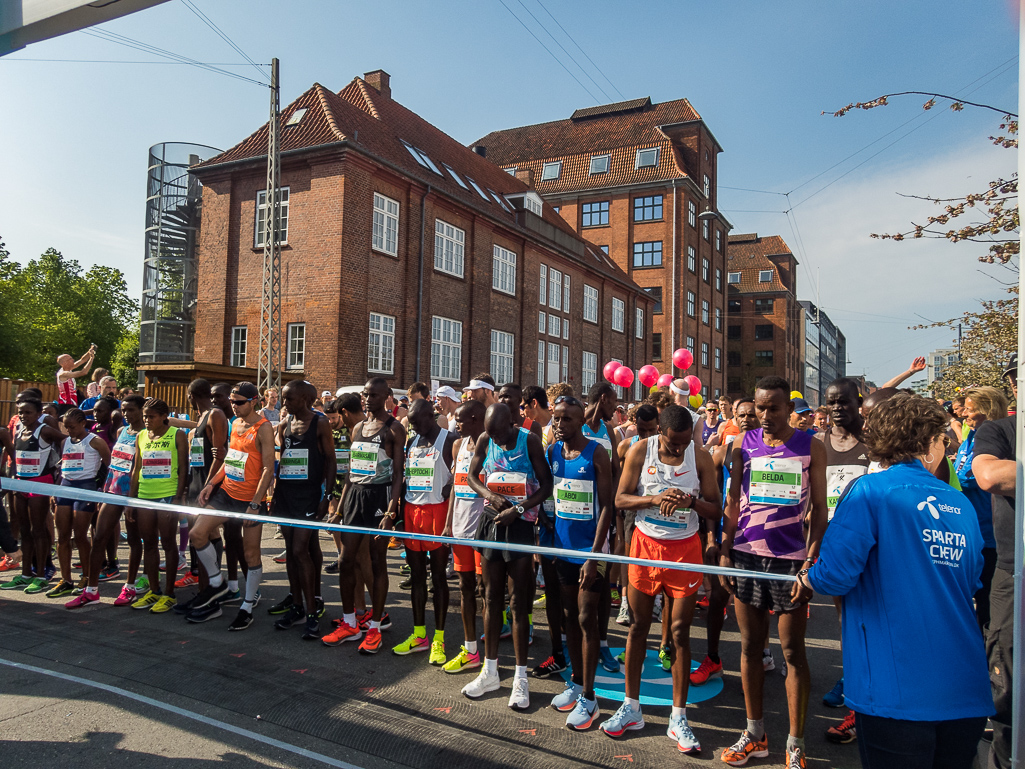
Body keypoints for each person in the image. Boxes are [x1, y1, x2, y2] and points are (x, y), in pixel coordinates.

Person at [804, 393, 992, 769]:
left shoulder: (870, 492)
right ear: (926, 443)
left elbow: (834, 576)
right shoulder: (962, 504)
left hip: (896, 692)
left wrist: (806, 578)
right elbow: (971, 580)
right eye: (941, 439)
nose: (945, 446)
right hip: (964, 688)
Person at [719, 376, 827, 769]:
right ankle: (755, 733)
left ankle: (795, 743)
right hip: (747, 556)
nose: (764, 416)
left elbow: (819, 510)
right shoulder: (739, 445)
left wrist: (810, 561)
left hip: (790, 562)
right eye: (760, 408)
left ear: (789, 409)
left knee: (793, 652)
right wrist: (725, 549)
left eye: (773, 408)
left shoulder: (810, 447)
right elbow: (733, 502)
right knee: (749, 648)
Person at [600, 405, 720, 754]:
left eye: (684, 443)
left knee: (680, 632)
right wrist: (653, 498)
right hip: (645, 548)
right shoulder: (641, 449)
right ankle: (631, 707)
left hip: (684, 551)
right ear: (660, 434)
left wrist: (691, 502)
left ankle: (678, 716)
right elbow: (620, 499)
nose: (679, 449)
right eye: (673, 443)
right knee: (637, 627)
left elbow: (715, 509)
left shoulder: (699, 457)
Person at [462, 402, 553, 708]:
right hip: (491, 520)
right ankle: (489, 671)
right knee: (490, 597)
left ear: (511, 423)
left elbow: (547, 486)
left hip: (520, 524)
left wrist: (520, 508)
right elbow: (473, 476)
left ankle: (520, 678)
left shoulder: (529, 441)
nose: (495, 440)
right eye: (491, 435)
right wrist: (490, 495)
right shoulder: (487, 439)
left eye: (499, 435)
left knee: (518, 602)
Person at [546, 395, 615, 730]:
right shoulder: (553, 453)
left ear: (581, 421)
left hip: (591, 551)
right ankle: (575, 684)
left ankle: (590, 699)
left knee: (587, 617)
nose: (560, 425)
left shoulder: (596, 453)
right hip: (561, 548)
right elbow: (552, 498)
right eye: (557, 419)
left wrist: (594, 554)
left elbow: (607, 507)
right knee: (569, 617)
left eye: (567, 419)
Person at [321, 378, 404, 653]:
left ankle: (376, 626)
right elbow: (349, 473)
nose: (368, 398)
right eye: (365, 394)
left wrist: (391, 511)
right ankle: (349, 623)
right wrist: (340, 509)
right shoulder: (357, 427)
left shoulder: (393, 429)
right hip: (355, 496)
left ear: (387, 397)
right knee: (346, 560)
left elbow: (398, 475)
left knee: (378, 561)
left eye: (374, 395)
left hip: (379, 498)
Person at [189, 382, 275, 629]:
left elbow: (268, 468)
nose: (234, 407)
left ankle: (247, 606)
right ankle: (217, 583)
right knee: (197, 533)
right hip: (227, 493)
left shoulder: (264, 428)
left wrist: (256, 504)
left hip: (250, 498)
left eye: (240, 402)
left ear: (254, 401)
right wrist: (211, 484)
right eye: (232, 402)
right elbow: (231, 459)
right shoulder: (235, 424)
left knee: (250, 554)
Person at [815, 377, 873, 743]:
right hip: (833, 542)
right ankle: (852, 677)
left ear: (858, 403)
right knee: (843, 614)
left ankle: (864, 691)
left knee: (867, 615)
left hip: (869, 543)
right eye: (832, 403)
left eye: (844, 402)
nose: (838, 409)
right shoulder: (818, 442)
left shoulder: (873, 441)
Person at [971, 354, 1018, 769]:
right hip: (1011, 568)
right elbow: (989, 476)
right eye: (1016, 379)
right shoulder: (999, 429)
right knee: (1005, 677)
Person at [693, 398, 759, 687]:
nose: (747, 419)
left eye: (752, 415)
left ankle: (762, 654)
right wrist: (711, 538)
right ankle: (713, 657)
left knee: (758, 606)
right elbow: (712, 499)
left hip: (761, 539)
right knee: (719, 599)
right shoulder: (722, 452)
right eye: (741, 415)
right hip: (727, 536)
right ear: (733, 416)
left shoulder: (776, 453)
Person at [270, 380, 335, 639]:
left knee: (300, 550)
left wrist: (326, 497)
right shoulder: (285, 424)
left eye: (289, 398)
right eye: (284, 398)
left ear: (306, 399)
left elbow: (330, 460)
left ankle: (311, 610)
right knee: (292, 551)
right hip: (286, 495)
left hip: (309, 496)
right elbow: (282, 461)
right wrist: (274, 495)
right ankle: (296, 604)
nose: (284, 403)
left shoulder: (320, 423)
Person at [393, 398, 455, 662]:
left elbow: (461, 476)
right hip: (411, 510)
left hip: (437, 512)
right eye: (412, 423)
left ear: (432, 416)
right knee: (417, 574)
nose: (414, 426)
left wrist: (449, 491)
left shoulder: (450, 440)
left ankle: (439, 639)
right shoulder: (413, 441)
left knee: (438, 576)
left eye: (417, 422)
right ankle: (419, 634)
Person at [70, 394, 147, 608]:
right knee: (100, 535)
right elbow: (113, 464)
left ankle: (130, 587)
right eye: (124, 409)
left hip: (134, 493)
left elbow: (140, 468)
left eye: (131, 409)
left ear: (142, 411)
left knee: (134, 540)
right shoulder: (121, 431)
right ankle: (91, 590)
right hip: (112, 490)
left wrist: (132, 499)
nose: (126, 414)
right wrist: (104, 491)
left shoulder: (146, 434)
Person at [954, 386, 1006, 635]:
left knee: (987, 603)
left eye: (970, 410)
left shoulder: (997, 437)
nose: (964, 414)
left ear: (987, 410)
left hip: (990, 535)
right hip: (969, 531)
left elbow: (966, 477)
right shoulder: (970, 438)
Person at [128, 398, 188, 613]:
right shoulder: (141, 436)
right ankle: (154, 590)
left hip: (167, 495)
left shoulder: (177, 435)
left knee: (169, 544)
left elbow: (183, 468)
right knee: (149, 544)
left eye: (151, 416)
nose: (146, 420)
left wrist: (178, 497)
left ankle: (169, 593)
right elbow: (136, 469)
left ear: (164, 416)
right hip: (144, 495)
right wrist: (130, 500)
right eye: (145, 416)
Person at [441, 399, 486, 673]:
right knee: (465, 588)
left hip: (481, 530)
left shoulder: (490, 446)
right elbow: (456, 489)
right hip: (459, 529)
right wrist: (448, 524)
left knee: (487, 591)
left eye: (460, 418)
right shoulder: (458, 446)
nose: (456, 423)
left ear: (476, 419)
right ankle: (470, 649)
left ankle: (490, 650)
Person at [1, 397, 63, 593]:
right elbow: (15, 456)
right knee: (24, 531)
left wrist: (61, 470)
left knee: (38, 530)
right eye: (20, 412)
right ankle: (26, 574)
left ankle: (41, 575)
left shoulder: (44, 430)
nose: (23, 416)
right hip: (21, 484)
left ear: (38, 414)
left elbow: (66, 441)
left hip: (39, 485)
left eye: (28, 412)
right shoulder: (19, 430)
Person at [48, 408, 111, 598]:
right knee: (63, 536)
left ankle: (87, 575)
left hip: (86, 487)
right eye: (66, 427)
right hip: (65, 488)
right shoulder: (65, 441)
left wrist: (102, 492)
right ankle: (66, 579)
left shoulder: (96, 441)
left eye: (72, 426)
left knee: (81, 534)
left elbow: (109, 466)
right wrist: (55, 491)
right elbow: (63, 467)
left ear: (83, 423)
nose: (68, 430)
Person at [613, 403, 660, 627]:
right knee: (628, 554)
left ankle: (657, 598)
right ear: (635, 426)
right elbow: (618, 481)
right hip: (631, 507)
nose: (647, 435)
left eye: (651, 430)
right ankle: (625, 600)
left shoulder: (665, 447)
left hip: (657, 508)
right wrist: (619, 512)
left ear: (659, 427)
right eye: (642, 430)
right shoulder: (625, 446)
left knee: (657, 554)